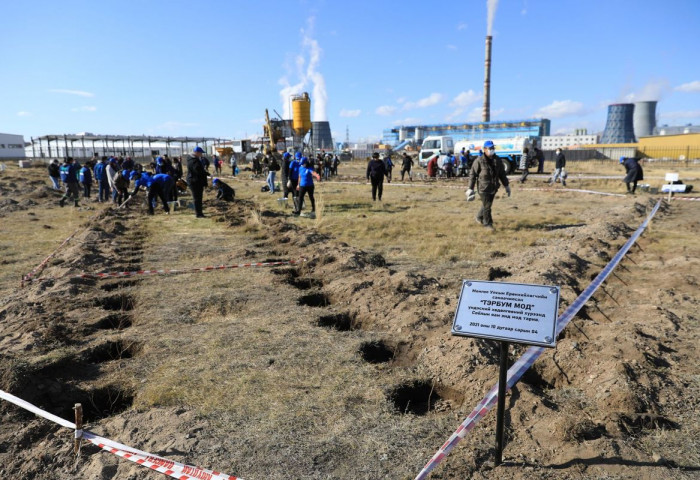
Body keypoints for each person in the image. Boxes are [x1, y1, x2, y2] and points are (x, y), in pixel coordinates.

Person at [466, 140, 511, 229]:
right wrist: (470, 188)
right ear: (484, 149)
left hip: (493, 187)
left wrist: (507, 186)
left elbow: (502, 174)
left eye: (493, 148)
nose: (492, 149)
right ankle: (488, 224)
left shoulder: (497, 160)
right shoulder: (479, 161)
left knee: (486, 204)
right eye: (490, 148)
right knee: (487, 206)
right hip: (483, 188)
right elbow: (472, 174)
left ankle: (479, 217)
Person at [187, 146, 209, 218]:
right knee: (197, 198)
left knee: (198, 198)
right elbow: (198, 171)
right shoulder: (194, 161)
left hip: (195, 181)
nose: (201, 154)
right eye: (200, 153)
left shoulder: (194, 159)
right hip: (195, 181)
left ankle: (199, 212)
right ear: (196, 152)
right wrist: (205, 173)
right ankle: (199, 214)